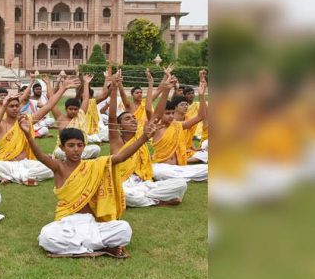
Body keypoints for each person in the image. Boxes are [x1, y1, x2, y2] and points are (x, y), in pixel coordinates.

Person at [21, 115, 158, 257]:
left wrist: (144, 137)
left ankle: (77, 249)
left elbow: (121, 157)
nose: (76, 149)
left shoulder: (93, 165)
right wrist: (28, 135)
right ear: (62, 147)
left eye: (80, 145)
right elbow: (41, 157)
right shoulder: (59, 167)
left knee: (124, 228)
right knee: (46, 236)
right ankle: (99, 248)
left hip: (91, 222)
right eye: (71, 145)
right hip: (67, 223)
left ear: (84, 147)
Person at [107, 73, 188, 207]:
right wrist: (115, 88)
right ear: (119, 126)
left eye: (133, 118)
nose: (133, 120)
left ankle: (147, 198)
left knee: (181, 184)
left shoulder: (141, 134)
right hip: (125, 183)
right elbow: (111, 118)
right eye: (127, 119)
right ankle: (158, 201)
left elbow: (156, 115)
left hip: (144, 182)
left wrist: (166, 90)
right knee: (125, 195)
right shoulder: (117, 141)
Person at [0, 79, 58, 185]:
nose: (15, 108)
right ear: (5, 108)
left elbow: (48, 106)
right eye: (11, 106)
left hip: (25, 163)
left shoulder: (26, 121)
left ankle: (13, 178)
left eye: (17, 106)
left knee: (49, 169)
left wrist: (64, 88)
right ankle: (26, 178)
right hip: (6, 163)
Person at [151, 74, 209, 182]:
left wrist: (201, 95)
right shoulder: (157, 126)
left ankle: (181, 178)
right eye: (167, 113)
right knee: (159, 172)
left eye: (172, 113)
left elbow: (201, 116)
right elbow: (158, 112)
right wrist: (167, 90)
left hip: (179, 168)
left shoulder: (178, 125)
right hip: (162, 168)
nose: (171, 116)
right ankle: (183, 179)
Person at [49, 74, 102, 160]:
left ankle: (75, 157)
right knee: (59, 152)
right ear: (66, 109)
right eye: (70, 109)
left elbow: (85, 98)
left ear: (78, 109)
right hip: (65, 150)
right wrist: (49, 83)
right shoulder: (60, 118)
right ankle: (78, 158)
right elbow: (51, 102)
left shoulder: (81, 114)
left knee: (96, 149)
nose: (73, 111)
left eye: (75, 109)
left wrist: (86, 83)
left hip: (80, 149)